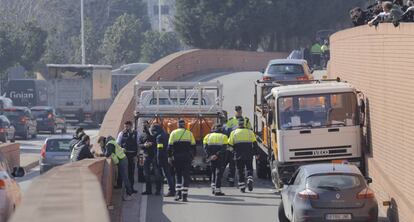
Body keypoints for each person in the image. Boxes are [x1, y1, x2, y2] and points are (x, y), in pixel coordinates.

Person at [228, 119, 260, 193]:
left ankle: (242, 187)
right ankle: (249, 178)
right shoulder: (250, 132)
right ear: (244, 124)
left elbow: (229, 145)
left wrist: (233, 152)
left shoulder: (233, 133)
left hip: (238, 155)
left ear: (238, 125)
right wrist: (257, 154)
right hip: (249, 154)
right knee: (249, 168)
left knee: (240, 171)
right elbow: (255, 144)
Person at [168, 119, 195, 202]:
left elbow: (169, 147)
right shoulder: (189, 133)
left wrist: (169, 157)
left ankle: (178, 195)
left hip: (176, 157)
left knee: (178, 176)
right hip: (186, 157)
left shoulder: (173, 133)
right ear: (185, 125)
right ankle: (184, 196)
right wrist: (192, 157)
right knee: (185, 176)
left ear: (177, 125)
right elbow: (193, 147)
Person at [224, 106, 251, 187]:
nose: (238, 112)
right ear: (235, 111)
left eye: (239, 111)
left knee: (242, 164)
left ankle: (244, 180)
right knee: (232, 163)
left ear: (241, 111)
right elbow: (226, 132)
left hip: (243, 145)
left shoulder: (246, 120)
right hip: (233, 144)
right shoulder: (231, 120)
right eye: (237, 111)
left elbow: (251, 130)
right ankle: (231, 180)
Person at [105, 136, 135, 200]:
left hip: (122, 160)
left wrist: (101, 154)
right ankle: (121, 187)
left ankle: (130, 194)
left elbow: (108, 154)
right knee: (123, 176)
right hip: (123, 159)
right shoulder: (114, 142)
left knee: (125, 177)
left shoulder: (109, 144)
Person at [150, 124, 175, 197]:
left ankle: (170, 190)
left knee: (165, 175)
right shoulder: (167, 134)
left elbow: (159, 150)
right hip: (168, 157)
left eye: (153, 131)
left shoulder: (159, 137)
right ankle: (173, 189)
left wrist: (158, 160)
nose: (153, 133)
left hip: (162, 158)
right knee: (169, 174)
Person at [203, 124, 228, 196]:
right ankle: (217, 190)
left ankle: (213, 188)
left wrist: (211, 155)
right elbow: (224, 149)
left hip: (211, 157)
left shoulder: (207, 136)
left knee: (213, 172)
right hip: (220, 157)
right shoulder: (224, 137)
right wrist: (216, 155)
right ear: (221, 129)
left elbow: (205, 148)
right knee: (218, 173)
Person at [117, 121, 139, 193]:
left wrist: (137, 155)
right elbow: (117, 144)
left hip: (132, 155)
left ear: (131, 126)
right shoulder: (121, 133)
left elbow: (138, 145)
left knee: (131, 172)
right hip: (123, 155)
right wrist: (121, 149)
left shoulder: (136, 134)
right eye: (125, 126)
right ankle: (120, 185)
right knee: (122, 171)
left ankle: (130, 189)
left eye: (127, 126)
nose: (126, 128)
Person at [139, 121, 158, 195]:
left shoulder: (153, 134)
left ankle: (157, 190)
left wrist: (151, 144)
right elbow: (139, 144)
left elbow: (157, 142)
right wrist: (144, 145)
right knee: (146, 174)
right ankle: (148, 190)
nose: (145, 126)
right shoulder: (142, 135)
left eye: (146, 125)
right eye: (143, 125)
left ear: (149, 125)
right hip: (146, 156)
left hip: (154, 155)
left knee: (157, 174)